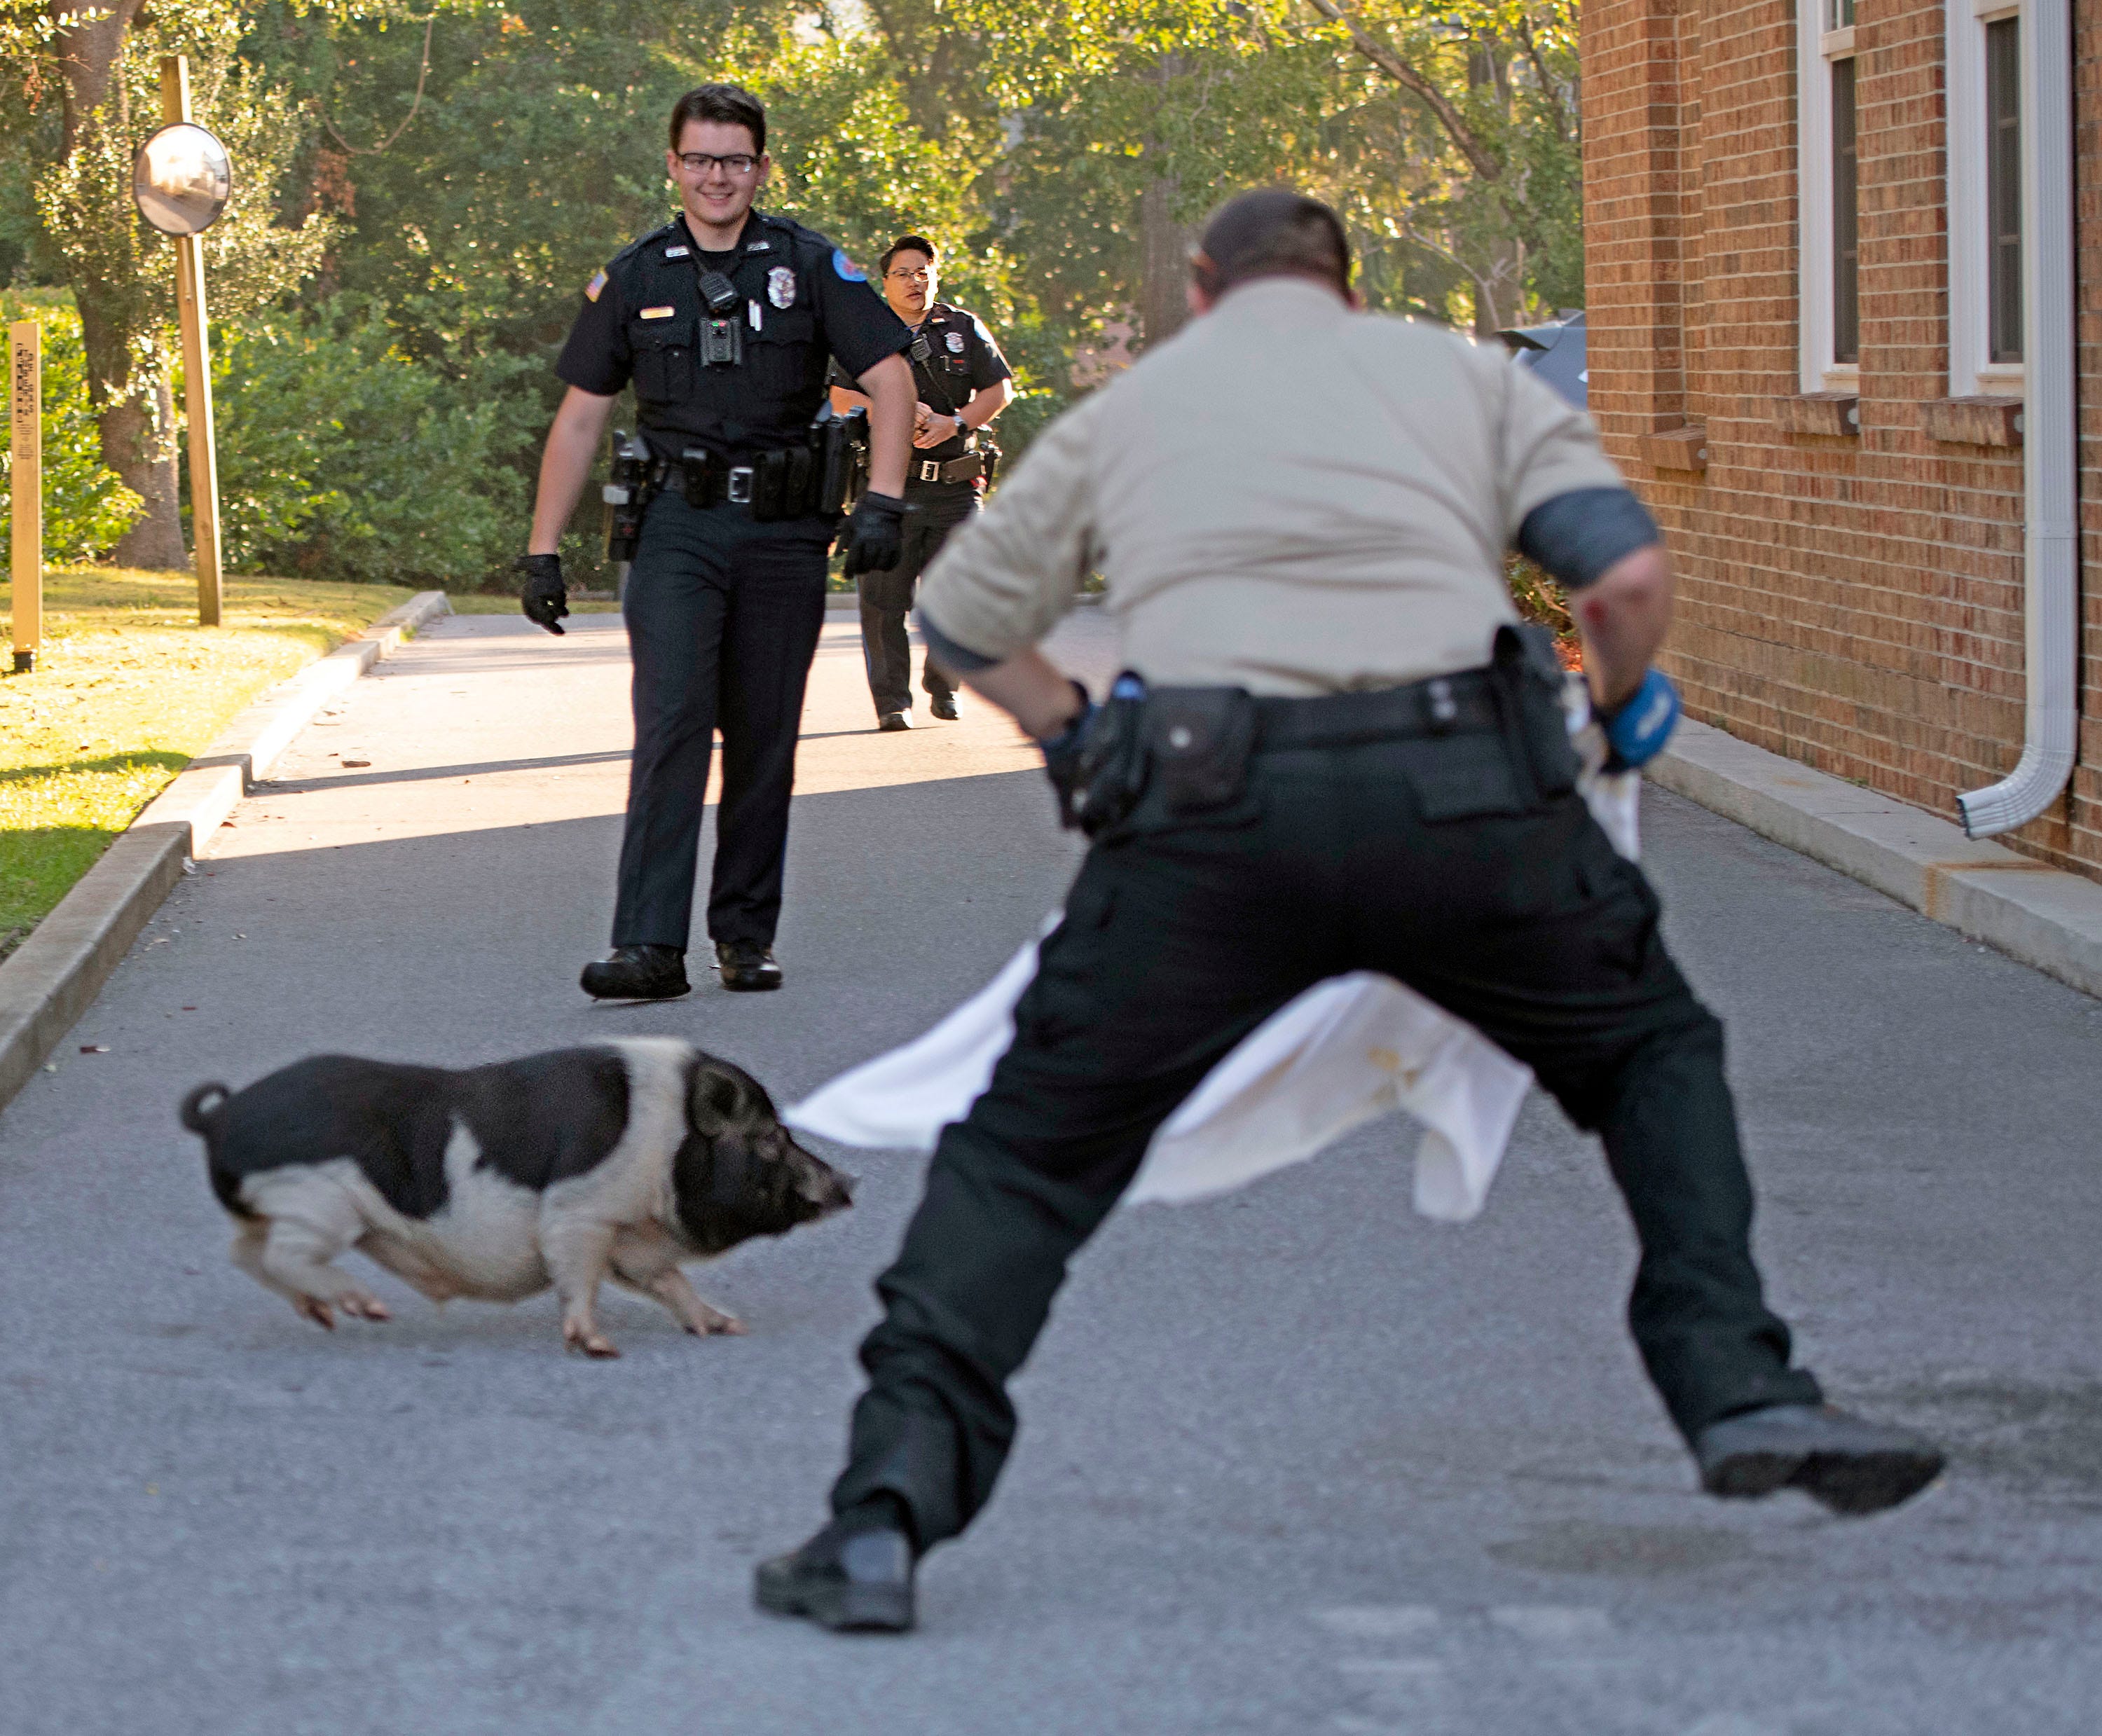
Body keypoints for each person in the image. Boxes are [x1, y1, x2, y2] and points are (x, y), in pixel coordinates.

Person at [755, 188, 1944, 1634]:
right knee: (1648, 1054)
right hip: (1474, 803)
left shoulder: (1146, 408)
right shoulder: (1453, 376)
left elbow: (966, 621)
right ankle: (1741, 1381)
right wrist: (1614, 716)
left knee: (1029, 1153)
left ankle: (882, 1514)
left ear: (1205, 293)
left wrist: (1082, 743)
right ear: (1346, 287)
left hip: (1210, 822)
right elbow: (1624, 579)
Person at [516, 83, 916, 999]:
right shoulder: (637, 276)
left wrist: (883, 502)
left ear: (761, 168)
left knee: (765, 733)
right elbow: (581, 417)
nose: (717, 177)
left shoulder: (810, 265)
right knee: (672, 725)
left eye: (735, 160)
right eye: (700, 159)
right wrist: (543, 548)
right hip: (676, 530)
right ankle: (649, 947)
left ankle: (744, 935)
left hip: (783, 534)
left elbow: (890, 377)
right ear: (673, 166)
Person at [830, 235, 1015, 730]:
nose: (916, 281)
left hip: (956, 487)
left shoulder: (962, 328)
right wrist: (893, 408)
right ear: (884, 282)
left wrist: (953, 423)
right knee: (883, 601)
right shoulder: (864, 333)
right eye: (904, 273)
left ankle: (945, 684)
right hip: (892, 487)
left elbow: (1000, 390)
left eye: (924, 271)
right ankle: (893, 702)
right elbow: (838, 398)